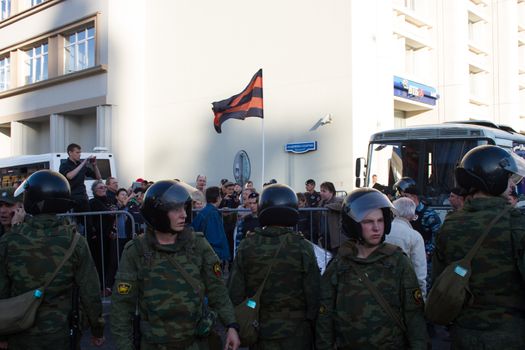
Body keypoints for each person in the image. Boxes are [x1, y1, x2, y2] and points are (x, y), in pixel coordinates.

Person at [111, 180, 240, 350]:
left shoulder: (197, 244)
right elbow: (122, 307)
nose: (184, 215)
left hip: (194, 343)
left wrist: (231, 325)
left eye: (184, 208)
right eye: (176, 209)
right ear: (158, 213)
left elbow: (217, 290)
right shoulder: (136, 251)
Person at [433, 145, 525, 349]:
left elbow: (440, 281)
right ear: (494, 177)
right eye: (509, 178)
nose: (512, 184)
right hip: (511, 334)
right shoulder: (517, 223)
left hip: (463, 334)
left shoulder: (450, 225)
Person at [0, 170, 105, 349]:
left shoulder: (10, 240)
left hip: (19, 332)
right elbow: (91, 291)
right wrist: (97, 330)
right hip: (61, 334)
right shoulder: (75, 241)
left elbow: (2, 289)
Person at [316, 188, 428, 349]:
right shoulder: (340, 265)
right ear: (353, 225)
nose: (376, 228)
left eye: (380, 220)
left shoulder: (398, 262)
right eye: (368, 222)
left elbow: (414, 316)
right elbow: (325, 317)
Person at [228, 184, 320, 349]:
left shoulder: (247, 245)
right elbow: (314, 294)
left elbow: (235, 292)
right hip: (297, 333)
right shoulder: (302, 246)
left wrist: (239, 320)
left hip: (260, 330)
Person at [394, 177, 441, 293]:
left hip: (424, 260)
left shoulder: (429, 215)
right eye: (400, 196)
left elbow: (438, 237)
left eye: (404, 196)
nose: (400, 199)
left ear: (414, 197)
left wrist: (428, 252)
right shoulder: (399, 211)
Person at [386, 197, 427, 297]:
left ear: (394, 212)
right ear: (412, 215)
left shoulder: (383, 232)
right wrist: (421, 297)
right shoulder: (415, 236)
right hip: (405, 289)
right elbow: (419, 272)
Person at [89, 180, 118, 295]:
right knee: (99, 262)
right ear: (95, 191)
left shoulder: (108, 201)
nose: (104, 189)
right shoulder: (92, 202)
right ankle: (100, 286)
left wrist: (113, 230)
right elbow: (93, 219)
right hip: (97, 237)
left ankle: (107, 285)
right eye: (101, 188)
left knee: (109, 261)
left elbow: (113, 215)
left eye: (104, 187)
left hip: (108, 236)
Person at [58, 143, 101, 215]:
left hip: (83, 198)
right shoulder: (64, 165)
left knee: (88, 223)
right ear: (70, 153)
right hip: (71, 199)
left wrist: (94, 165)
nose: (79, 154)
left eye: (80, 152)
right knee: (74, 223)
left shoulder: (80, 165)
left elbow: (98, 178)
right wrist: (84, 162)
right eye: (77, 152)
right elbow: (70, 176)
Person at [192, 186, 231, 263]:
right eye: (220, 196)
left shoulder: (204, 212)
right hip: (211, 258)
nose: (221, 199)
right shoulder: (212, 214)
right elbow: (214, 240)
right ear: (217, 198)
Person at [319, 181, 345, 253]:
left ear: (331, 192)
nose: (321, 193)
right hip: (324, 237)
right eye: (321, 191)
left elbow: (342, 206)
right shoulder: (321, 202)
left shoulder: (338, 200)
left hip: (335, 238)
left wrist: (327, 206)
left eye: (324, 191)